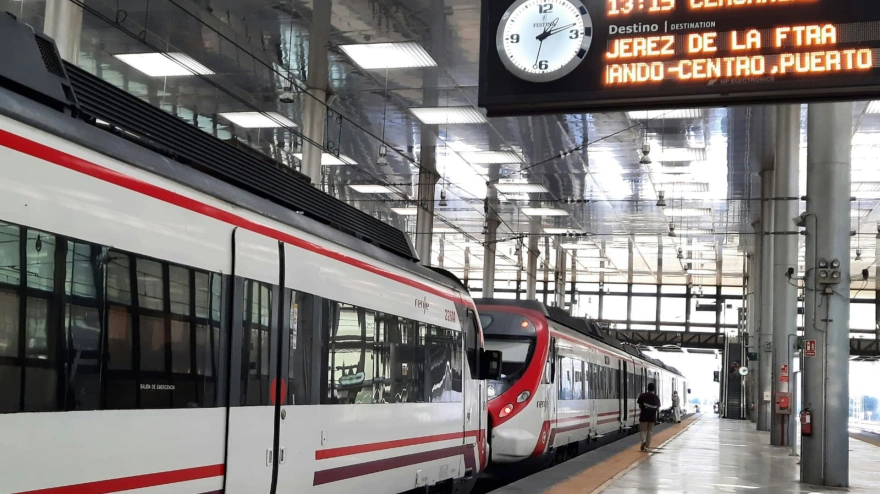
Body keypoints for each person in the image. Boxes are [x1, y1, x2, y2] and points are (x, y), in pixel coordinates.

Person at [637, 383, 661, 452]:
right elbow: (658, 407)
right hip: (652, 416)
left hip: (644, 415)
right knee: (649, 431)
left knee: (642, 430)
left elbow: (640, 406)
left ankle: (643, 441)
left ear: (647, 388)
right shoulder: (656, 397)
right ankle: (647, 447)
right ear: (654, 389)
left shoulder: (642, 396)